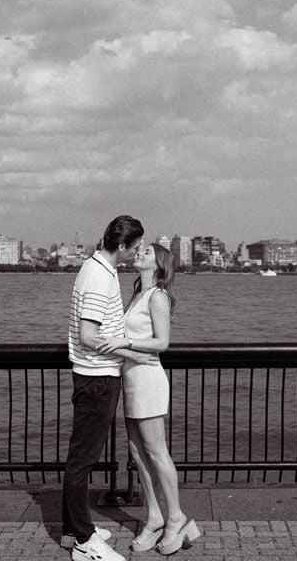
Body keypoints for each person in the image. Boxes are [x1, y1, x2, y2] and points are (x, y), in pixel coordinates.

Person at [94, 242, 200, 555]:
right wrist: (113, 347)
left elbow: (161, 342)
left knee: (156, 450)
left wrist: (120, 341)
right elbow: (132, 346)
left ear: (160, 264)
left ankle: (176, 518)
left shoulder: (158, 296)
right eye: (139, 250)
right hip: (131, 379)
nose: (139, 253)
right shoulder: (139, 294)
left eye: (147, 253)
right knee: (137, 452)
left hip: (149, 380)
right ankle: (154, 518)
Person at [61, 214, 154, 561]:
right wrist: (127, 346)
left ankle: (74, 528)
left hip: (94, 375)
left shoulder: (94, 267)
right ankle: (84, 541)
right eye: (135, 246)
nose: (137, 253)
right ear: (122, 244)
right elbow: (87, 335)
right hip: (97, 376)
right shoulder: (100, 277)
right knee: (83, 458)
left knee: (81, 455)